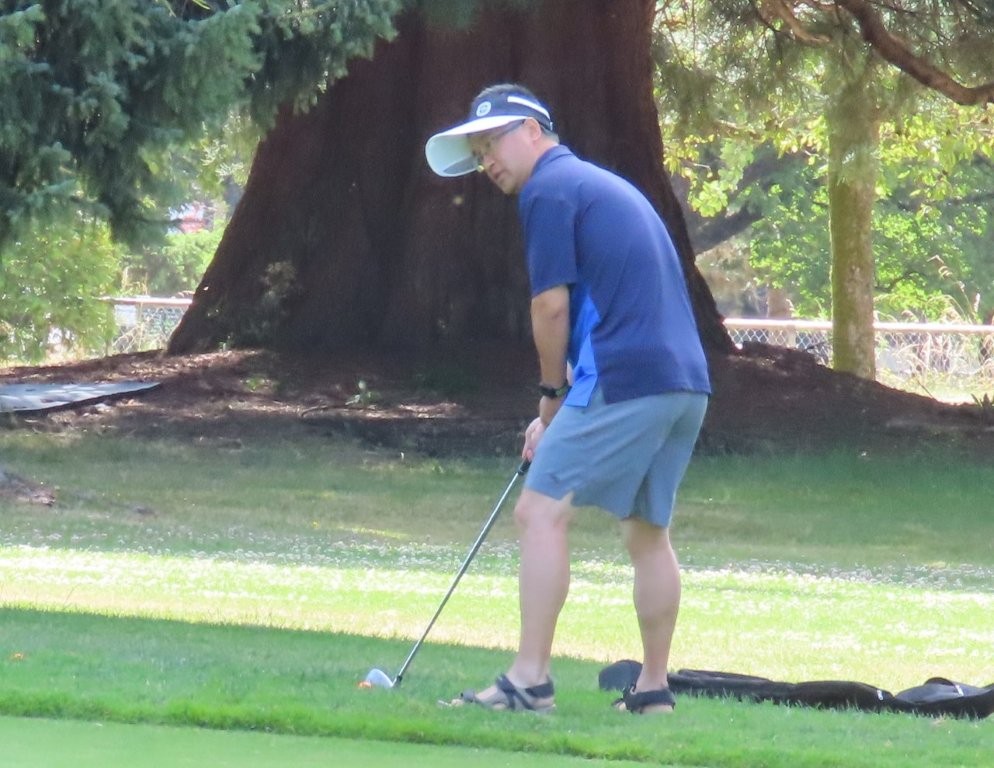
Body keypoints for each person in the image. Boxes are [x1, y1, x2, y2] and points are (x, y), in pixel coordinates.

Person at [425, 84, 711, 715]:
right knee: (646, 532)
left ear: (532, 130)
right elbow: (611, 310)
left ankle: (530, 680)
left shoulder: (550, 188)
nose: (487, 160)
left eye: (492, 140)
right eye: (477, 152)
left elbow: (551, 306)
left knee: (540, 511)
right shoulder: (592, 185)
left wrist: (550, 402)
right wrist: (556, 408)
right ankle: (653, 692)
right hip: (684, 383)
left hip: (628, 376)